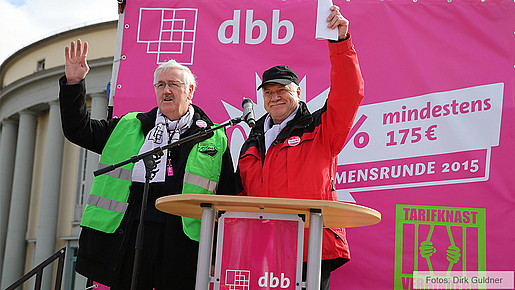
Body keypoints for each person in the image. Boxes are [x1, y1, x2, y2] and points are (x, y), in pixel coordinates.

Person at [59, 39, 238, 289]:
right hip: (132, 236)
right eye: (161, 84)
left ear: (190, 91)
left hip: (184, 242)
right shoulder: (130, 126)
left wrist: (216, 253)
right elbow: (78, 130)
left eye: (174, 84)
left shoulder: (213, 136)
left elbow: (227, 197)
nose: (166, 90)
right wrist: (74, 85)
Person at [236, 5, 364, 289]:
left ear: (298, 91)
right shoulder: (252, 141)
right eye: (268, 92)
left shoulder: (321, 127)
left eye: (282, 89)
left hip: (311, 247)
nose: (275, 97)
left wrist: (341, 44)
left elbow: (349, 93)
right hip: (263, 250)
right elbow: (241, 195)